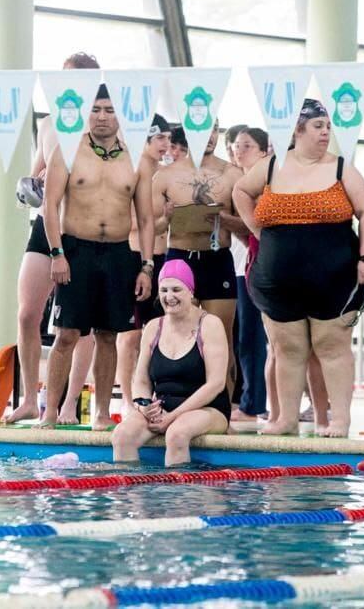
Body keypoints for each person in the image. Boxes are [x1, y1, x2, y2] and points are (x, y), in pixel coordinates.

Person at [233, 99, 364, 437]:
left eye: (328, 126)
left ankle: (339, 419)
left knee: (331, 345)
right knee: (288, 348)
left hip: (334, 276)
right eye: (318, 126)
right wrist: (259, 231)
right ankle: (286, 418)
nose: (326, 132)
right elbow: (240, 190)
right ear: (298, 130)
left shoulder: (340, 167)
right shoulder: (271, 166)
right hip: (278, 278)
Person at [41, 84, 153, 429]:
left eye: (109, 110)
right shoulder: (68, 151)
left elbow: (147, 218)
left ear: (122, 116)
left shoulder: (140, 158)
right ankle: (49, 414)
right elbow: (49, 206)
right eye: (96, 110)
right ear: (86, 114)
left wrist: (147, 266)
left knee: (109, 335)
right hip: (77, 249)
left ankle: (103, 413)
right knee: (67, 334)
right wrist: (57, 254)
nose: (102, 117)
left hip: (120, 253)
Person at [6, 51, 99, 425]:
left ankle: (68, 404)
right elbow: (33, 180)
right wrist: (31, 185)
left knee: (81, 323)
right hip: (46, 225)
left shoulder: (100, 126)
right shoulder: (47, 126)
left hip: (83, 229)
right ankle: (30, 398)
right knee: (28, 313)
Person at [153, 121, 243, 402]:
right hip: (180, 259)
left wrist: (224, 219)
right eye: (204, 127)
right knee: (179, 337)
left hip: (217, 259)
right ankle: (179, 403)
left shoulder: (232, 174)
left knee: (222, 339)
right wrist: (167, 218)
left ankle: (223, 411)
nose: (211, 135)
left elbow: (248, 226)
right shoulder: (165, 176)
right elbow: (151, 228)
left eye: (216, 128)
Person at [111, 259, 229, 465]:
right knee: (122, 436)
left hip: (208, 409)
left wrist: (173, 416)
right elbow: (140, 379)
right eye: (164, 290)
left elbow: (216, 384)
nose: (169, 297)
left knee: (176, 434)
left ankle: (176, 497)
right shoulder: (154, 327)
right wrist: (144, 405)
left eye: (176, 289)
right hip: (162, 407)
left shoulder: (210, 324)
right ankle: (131, 495)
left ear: (190, 292)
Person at [116, 114, 171, 412]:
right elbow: (133, 222)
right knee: (131, 335)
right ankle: (127, 400)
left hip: (164, 259)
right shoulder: (133, 171)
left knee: (159, 333)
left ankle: (153, 397)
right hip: (136, 257)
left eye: (168, 139)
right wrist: (165, 220)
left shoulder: (164, 174)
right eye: (160, 138)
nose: (165, 144)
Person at [230, 127, 268, 422]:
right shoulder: (243, 182)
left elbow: (252, 227)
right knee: (245, 337)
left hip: (259, 266)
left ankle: (253, 403)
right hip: (248, 264)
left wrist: (219, 217)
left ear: (264, 151)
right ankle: (250, 401)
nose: (238, 150)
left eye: (246, 146)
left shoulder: (263, 184)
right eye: (236, 145)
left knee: (253, 337)